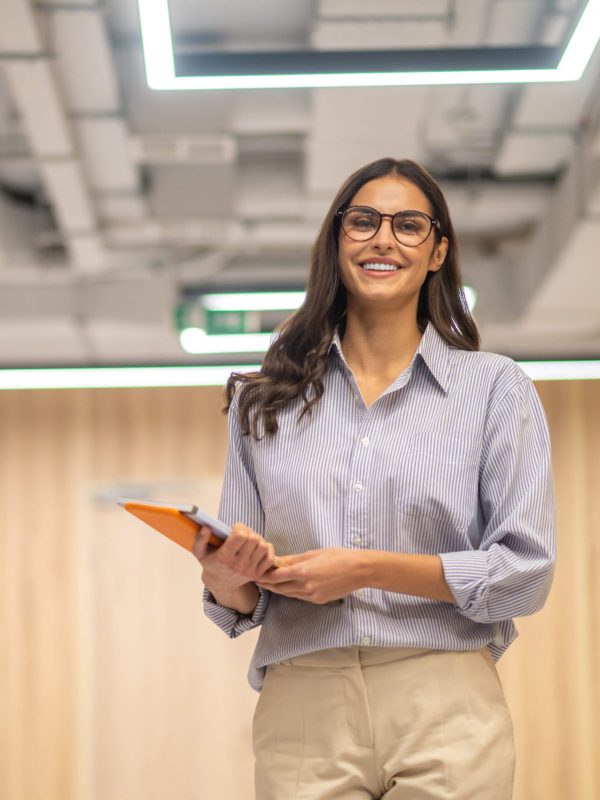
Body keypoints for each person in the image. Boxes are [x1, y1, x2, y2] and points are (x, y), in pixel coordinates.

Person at [192, 157, 556, 800]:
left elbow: (525, 573)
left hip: (444, 696)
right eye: (363, 221)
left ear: (438, 250)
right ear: (337, 241)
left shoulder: (496, 389)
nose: (382, 239)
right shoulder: (262, 401)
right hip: (304, 701)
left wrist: (363, 568)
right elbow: (245, 598)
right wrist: (225, 580)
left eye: (409, 225)